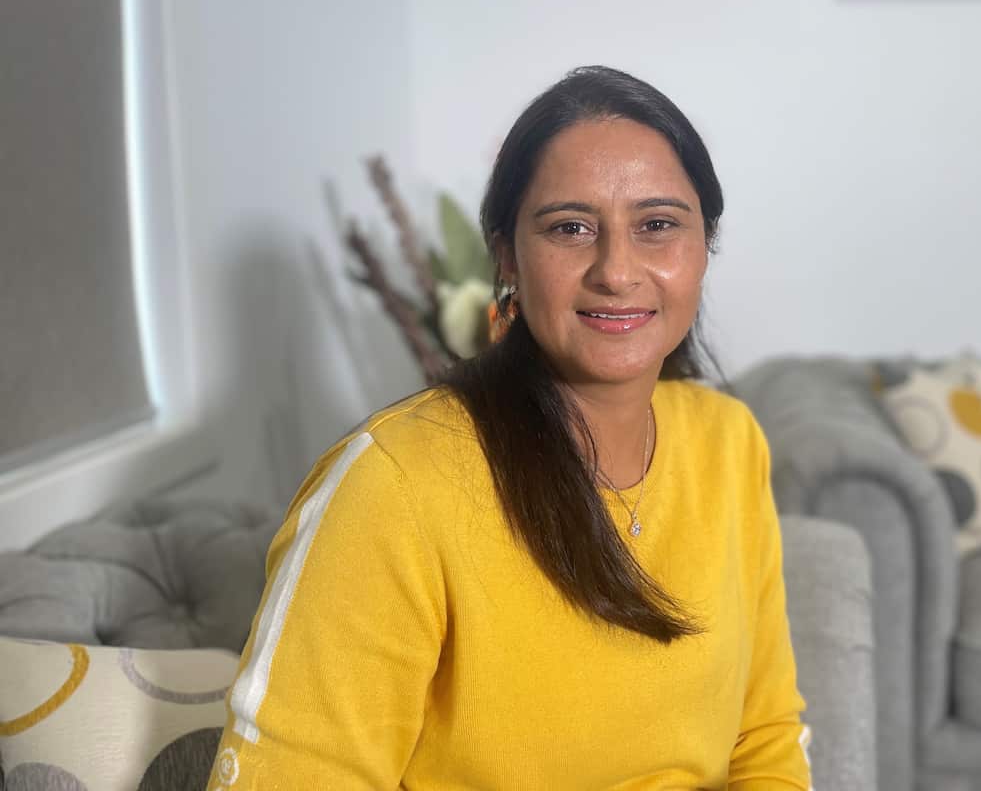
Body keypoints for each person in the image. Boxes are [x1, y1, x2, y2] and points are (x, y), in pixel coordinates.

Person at [205, 66, 812, 790]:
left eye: (657, 225)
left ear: (703, 245)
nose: (617, 270)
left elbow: (765, 735)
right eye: (571, 228)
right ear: (506, 258)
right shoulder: (394, 483)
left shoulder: (729, 441)